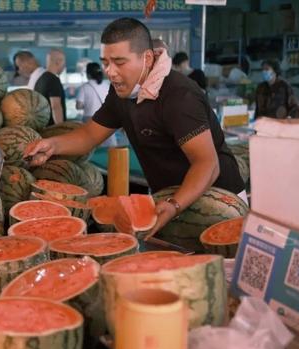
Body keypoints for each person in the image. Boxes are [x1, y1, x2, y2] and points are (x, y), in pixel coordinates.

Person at [25, 18, 245, 238]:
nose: (110, 72)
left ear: (147, 58)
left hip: (217, 203)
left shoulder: (179, 96)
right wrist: (52, 145)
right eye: (105, 62)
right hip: (170, 201)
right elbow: (90, 134)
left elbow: (207, 164)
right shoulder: (122, 91)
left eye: (119, 62)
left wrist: (174, 204)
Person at [76, 62, 116, 147]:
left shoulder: (85, 87)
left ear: (88, 74)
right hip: (106, 119)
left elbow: (78, 106)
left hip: (89, 120)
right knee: (109, 147)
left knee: (91, 147)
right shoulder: (107, 85)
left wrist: (88, 104)